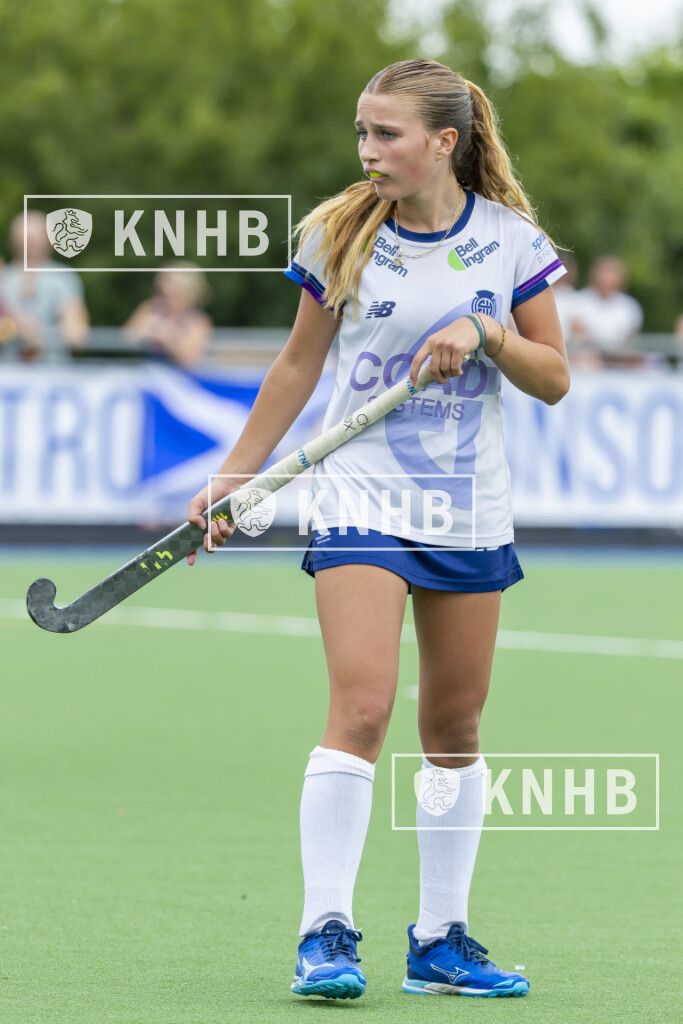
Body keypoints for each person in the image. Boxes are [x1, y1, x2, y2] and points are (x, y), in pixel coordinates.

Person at [186, 58, 569, 1001]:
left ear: (444, 142)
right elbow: (294, 366)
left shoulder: (510, 242)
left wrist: (488, 334)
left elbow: (554, 376)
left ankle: (440, 939)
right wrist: (235, 478)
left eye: (385, 134)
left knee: (454, 726)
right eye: (361, 131)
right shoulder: (339, 234)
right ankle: (324, 933)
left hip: (465, 504)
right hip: (360, 494)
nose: (366, 150)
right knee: (361, 708)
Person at [0, 211, 89, 361]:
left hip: (52, 368)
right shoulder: (4, 277)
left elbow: (77, 331)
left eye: (34, 239)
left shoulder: (63, 278)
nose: (29, 245)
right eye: (25, 239)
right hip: (7, 370)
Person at [123, 261, 212, 368]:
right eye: (164, 283)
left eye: (173, 284)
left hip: (180, 374)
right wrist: (141, 333)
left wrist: (166, 338)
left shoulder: (198, 319)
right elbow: (124, 338)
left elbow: (190, 358)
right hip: (148, 369)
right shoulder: (150, 308)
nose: (166, 288)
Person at [571, 255, 643, 366]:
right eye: (604, 270)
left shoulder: (629, 305)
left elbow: (631, 338)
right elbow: (578, 333)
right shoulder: (579, 301)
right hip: (588, 357)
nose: (607, 277)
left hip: (620, 357)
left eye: (612, 271)